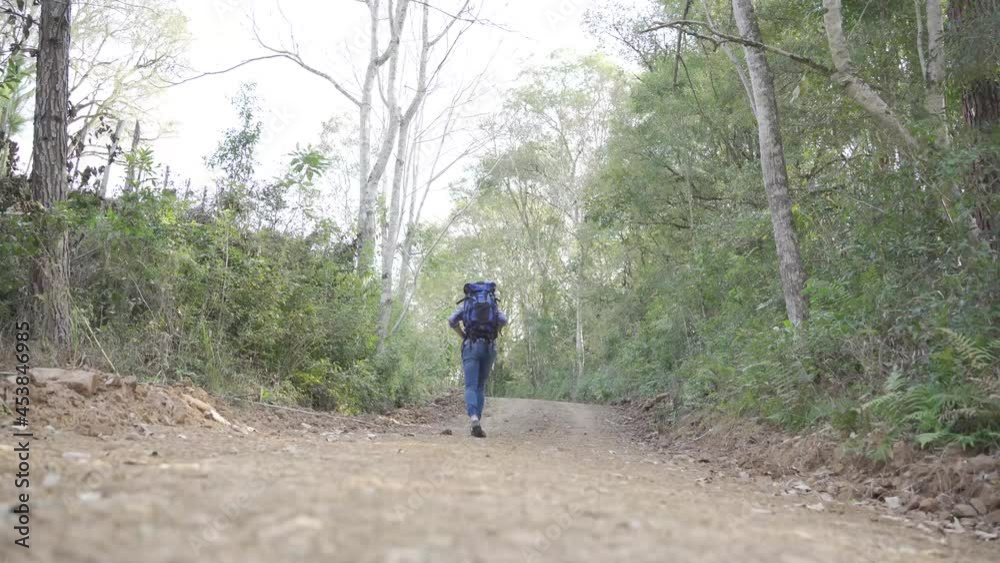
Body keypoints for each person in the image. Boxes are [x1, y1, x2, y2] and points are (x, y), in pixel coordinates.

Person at [448, 281, 507, 438]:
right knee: (480, 386)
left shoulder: (467, 304)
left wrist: (462, 335)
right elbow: (503, 320)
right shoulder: (493, 305)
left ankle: (474, 419)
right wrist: (495, 331)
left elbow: (451, 320)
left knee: (471, 385)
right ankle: (477, 421)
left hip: (471, 346)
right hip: (489, 347)